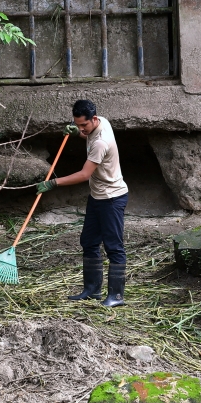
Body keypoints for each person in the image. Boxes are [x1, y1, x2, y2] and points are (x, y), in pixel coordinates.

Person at [36, 99, 128, 307]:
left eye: (83, 125)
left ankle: (116, 296)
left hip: (112, 197)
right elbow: (87, 134)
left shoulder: (101, 142)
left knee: (114, 246)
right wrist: (77, 133)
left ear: (93, 119)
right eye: (77, 124)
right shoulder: (100, 121)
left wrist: (53, 183)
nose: (81, 128)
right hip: (97, 196)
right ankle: (92, 290)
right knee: (88, 241)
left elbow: (85, 174)